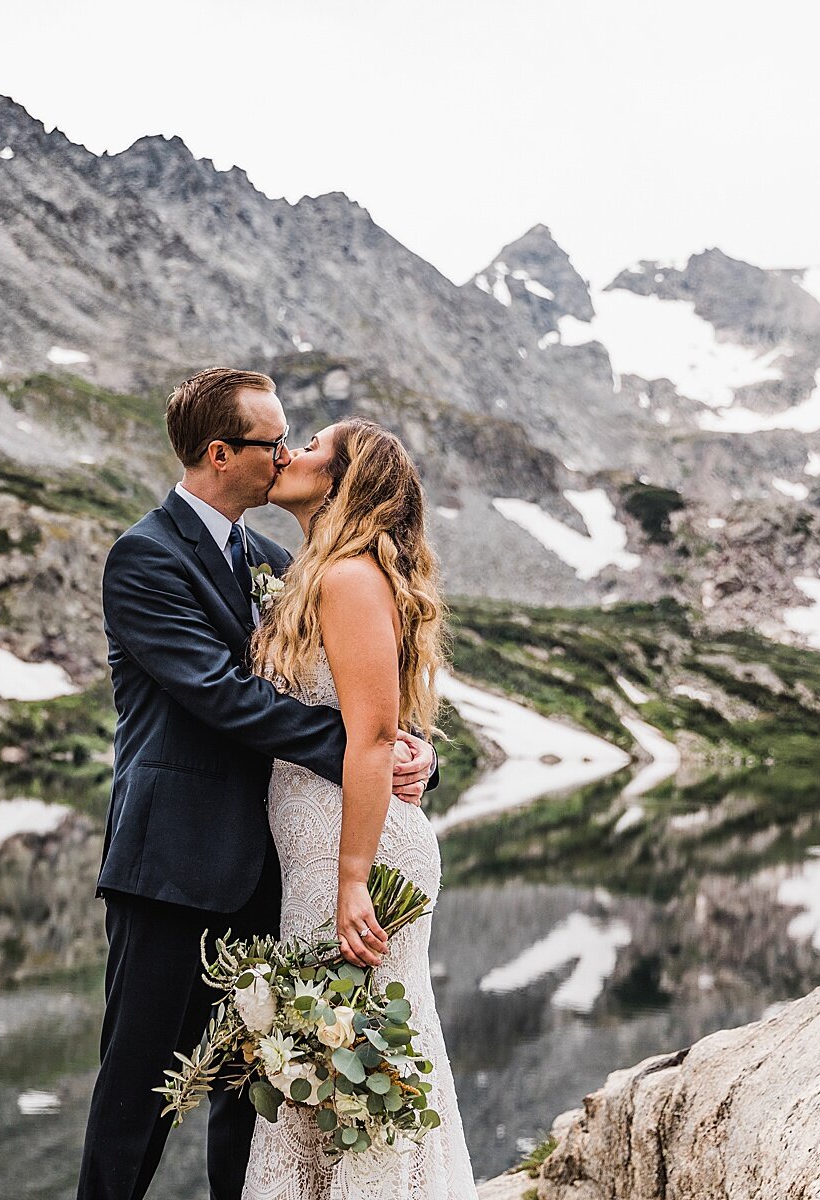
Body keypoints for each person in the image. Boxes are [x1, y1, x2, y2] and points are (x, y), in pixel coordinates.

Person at [77, 369, 439, 1200]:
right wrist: (362, 750)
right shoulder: (144, 558)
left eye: (291, 441)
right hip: (170, 867)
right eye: (271, 442)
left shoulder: (278, 560)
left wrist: (404, 750)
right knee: (139, 1096)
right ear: (219, 453)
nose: (284, 453)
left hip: (272, 876)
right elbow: (219, 695)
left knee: (255, 1099)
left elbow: (361, 686)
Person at [241, 416, 477, 1199]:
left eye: (310, 446)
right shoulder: (320, 572)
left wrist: (350, 881)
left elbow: (373, 738)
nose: (289, 452)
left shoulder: (346, 577)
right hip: (323, 850)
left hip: (357, 858)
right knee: (330, 1073)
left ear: (340, 481)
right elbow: (380, 724)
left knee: (359, 1078)